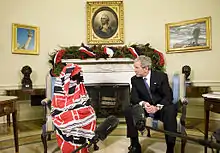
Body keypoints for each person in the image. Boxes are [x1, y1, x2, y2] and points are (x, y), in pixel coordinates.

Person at [124, 55, 177, 153]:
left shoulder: (161, 76)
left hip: (160, 109)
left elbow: (168, 96)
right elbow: (134, 98)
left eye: (136, 67)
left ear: (146, 68)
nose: (134, 70)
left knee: (171, 109)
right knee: (129, 109)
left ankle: (170, 148)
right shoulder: (135, 79)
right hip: (145, 109)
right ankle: (135, 144)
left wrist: (157, 107)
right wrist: (144, 104)